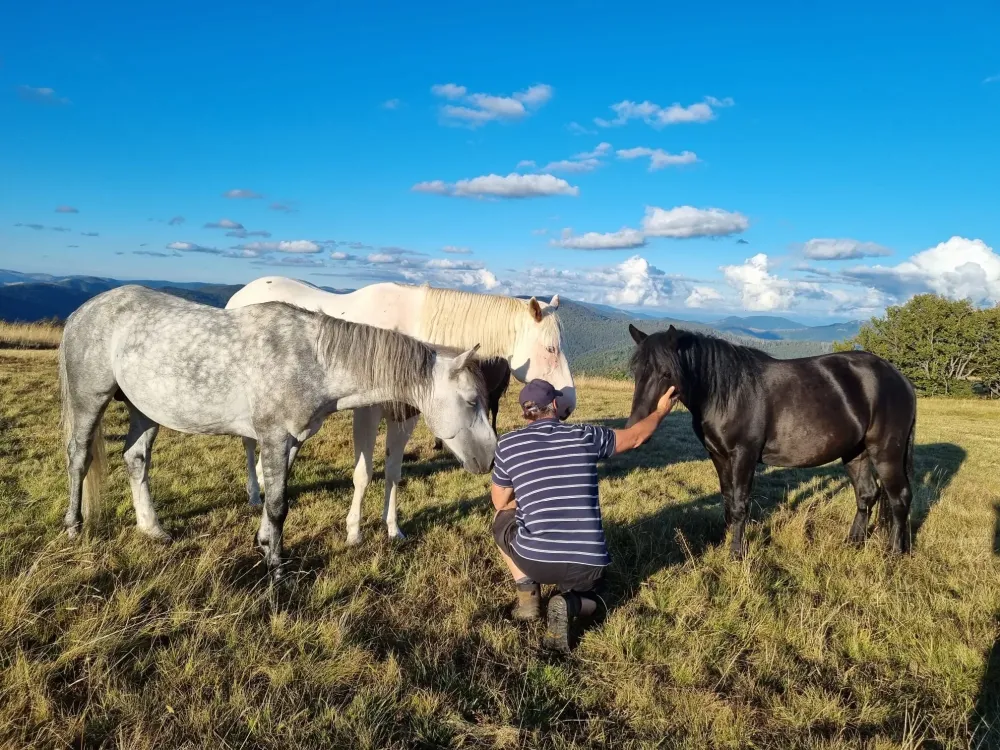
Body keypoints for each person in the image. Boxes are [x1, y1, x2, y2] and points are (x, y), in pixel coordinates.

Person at [491, 378, 677, 652]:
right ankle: (572, 604)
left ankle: (528, 597)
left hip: (534, 560)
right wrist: (661, 410)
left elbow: (499, 502)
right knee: (598, 602)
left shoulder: (508, 444)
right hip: (587, 564)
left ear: (525, 412)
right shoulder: (586, 435)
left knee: (500, 520)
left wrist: (528, 494)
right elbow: (636, 437)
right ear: (555, 405)